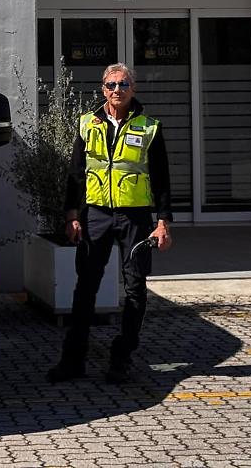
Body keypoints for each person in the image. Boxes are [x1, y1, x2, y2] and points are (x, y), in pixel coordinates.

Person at [47, 63, 173, 385]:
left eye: (124, 84)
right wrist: (71, 216)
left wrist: (163, 223)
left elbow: (161, 180)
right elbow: (75, 174)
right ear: (103, 89)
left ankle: (122, 357)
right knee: (85, 287)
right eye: (112, 84)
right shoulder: (87, 124)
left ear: (134, 89)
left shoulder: (149, 127)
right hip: (96, 216)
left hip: (135, 217)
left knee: (134, 287)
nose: (118, 89)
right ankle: (73, 361)